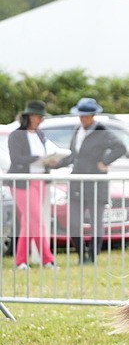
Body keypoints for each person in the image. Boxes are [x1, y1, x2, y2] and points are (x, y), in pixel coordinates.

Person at [54, 98, 126, 263]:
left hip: (95, 182)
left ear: (93, 115)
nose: (83, 119)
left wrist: (105, 162)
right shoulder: (77, 130)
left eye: (86, 116)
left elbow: (120, 147)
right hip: (77, 181)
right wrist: (55, 164)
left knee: (95, 222)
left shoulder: (102, 131)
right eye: (81, 116)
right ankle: (81, 254)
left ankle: (92, 256)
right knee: (74, 222)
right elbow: (74, 156)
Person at [7, 100, 60, 270]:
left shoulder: (40, 135)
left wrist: (49, 161)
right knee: (36, 221)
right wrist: (38, 158)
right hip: (23, 182)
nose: (40, 120)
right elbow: (17, 158)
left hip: (40, 180)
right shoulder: (16, 135)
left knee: (28, 222)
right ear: (29, 116)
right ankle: (47, 259)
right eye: (38, 116)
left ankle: (20, 261)